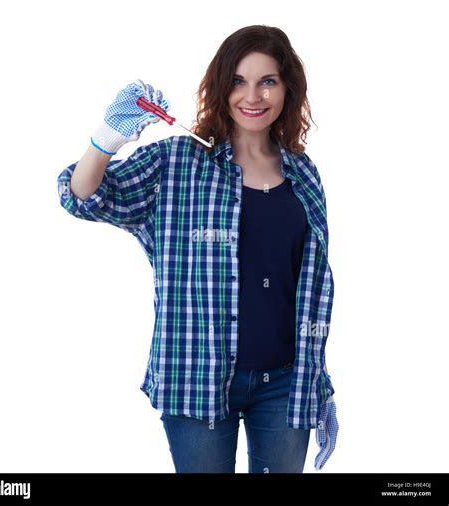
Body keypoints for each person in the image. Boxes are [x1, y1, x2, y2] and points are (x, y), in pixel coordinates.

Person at [57, 24, 338, 473]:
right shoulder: (176, 162)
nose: (253, 96)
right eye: (238, 81)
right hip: (194, 378)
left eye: (268, 81)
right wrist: (105, 140)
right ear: (221, 86)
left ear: (287, 89)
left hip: (286, 382)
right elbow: (84, 197)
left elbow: (307, 288)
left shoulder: (304, 174)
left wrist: (317, 382)